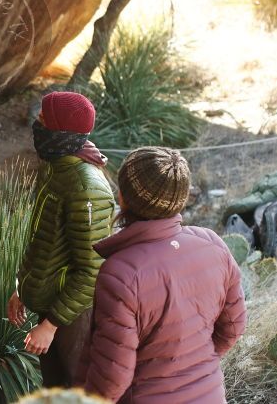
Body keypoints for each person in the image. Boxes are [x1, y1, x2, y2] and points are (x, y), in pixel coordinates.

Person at [81, 147, 247, 403]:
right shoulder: (213, 244)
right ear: (180, 198)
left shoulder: (121, 272)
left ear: (123, 198)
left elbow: (112, 376)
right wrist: (196, 363)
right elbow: (233, 327)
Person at [7, 91, 115, 387]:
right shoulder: (56, 166)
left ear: (58, 129)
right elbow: (41, 240)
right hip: (52, 305)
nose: (36, 122)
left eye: (43, 118)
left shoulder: (86, 187)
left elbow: (92, 270)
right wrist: (23, 288)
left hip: (71, 315)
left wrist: (51, 325)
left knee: (75, 388)